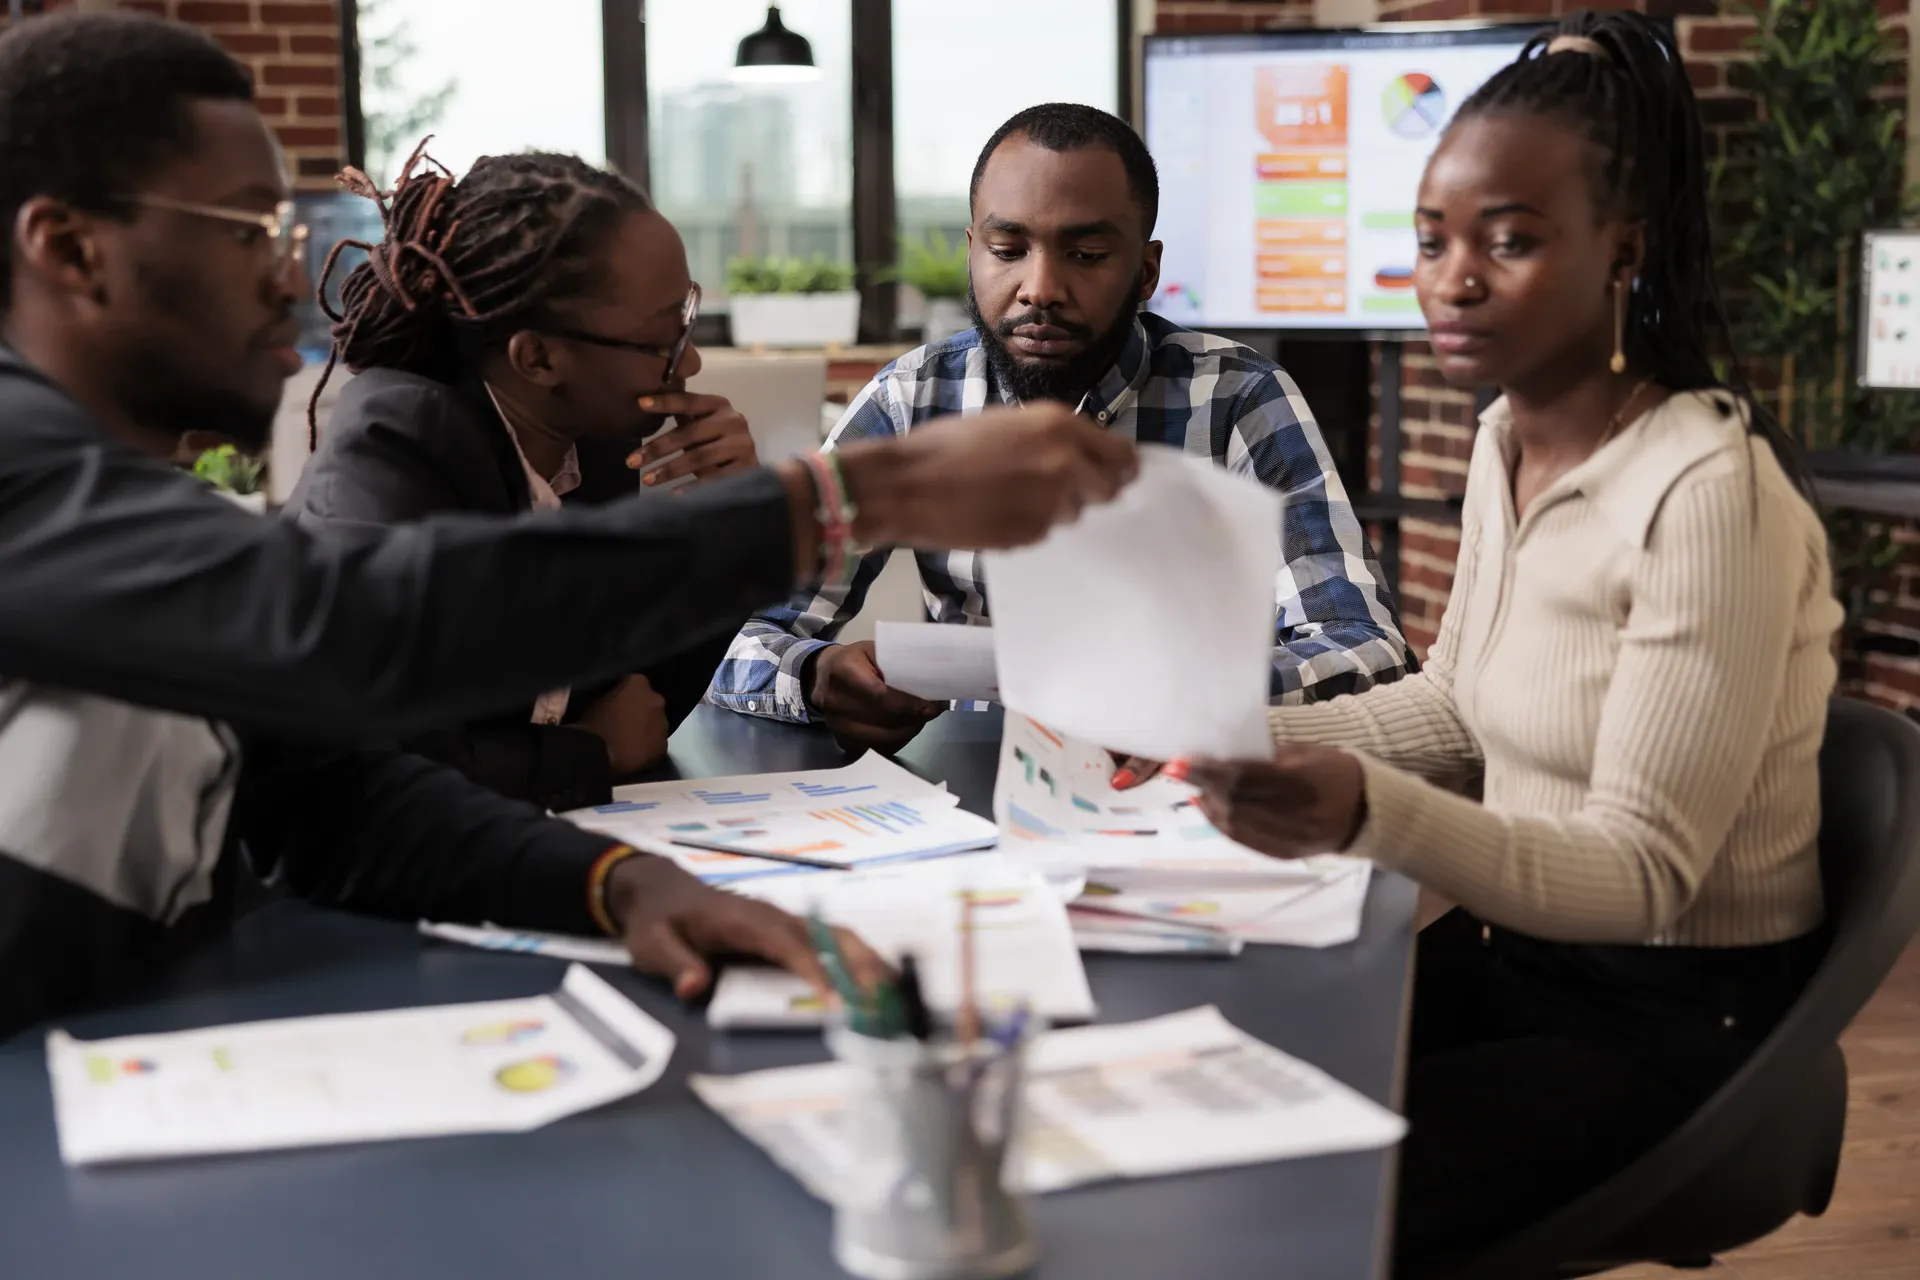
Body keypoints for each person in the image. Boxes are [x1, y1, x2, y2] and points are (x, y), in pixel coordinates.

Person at [0, 13, 1136, 1037]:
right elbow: (349, 620)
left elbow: (325, 792)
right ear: (68, 247)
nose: (289, 283)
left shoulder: (116, 499)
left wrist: (620, 887)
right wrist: (848, 497)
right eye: (250, 233)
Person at [1167, 13, 1839, 1275]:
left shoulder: (1712, 493)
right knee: (1208, 1102)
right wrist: (1208, 729)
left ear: (1623, 248)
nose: (1455, 279)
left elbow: (1644, 871)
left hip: (1674, 1020)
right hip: (1519, 957)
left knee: (1275, 1207)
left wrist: (1364, 807)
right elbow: (1455, 710)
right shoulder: (1504, 439)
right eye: (1433, 240)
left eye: (1511, 241)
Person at [708, 103, 1410, 758]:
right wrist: (818, 675)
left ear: (1146, 270)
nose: (1040, 287)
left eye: (1087, 255)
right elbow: (730, 633)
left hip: (1181, 778)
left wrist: (1180, 693)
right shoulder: (913, 396)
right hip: (969, 782)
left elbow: (1367, 649)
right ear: (973, 252)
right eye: (1007, 248)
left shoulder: (1238, 398)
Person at [287, 148, 766, 812]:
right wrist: (585, 754)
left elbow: (641, 706)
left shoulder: (589, 446)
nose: (691, 362)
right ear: (538, 357)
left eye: (685, 319)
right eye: (664, 339)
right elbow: (357, 765)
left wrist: (730, 527)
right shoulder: (392, 447)